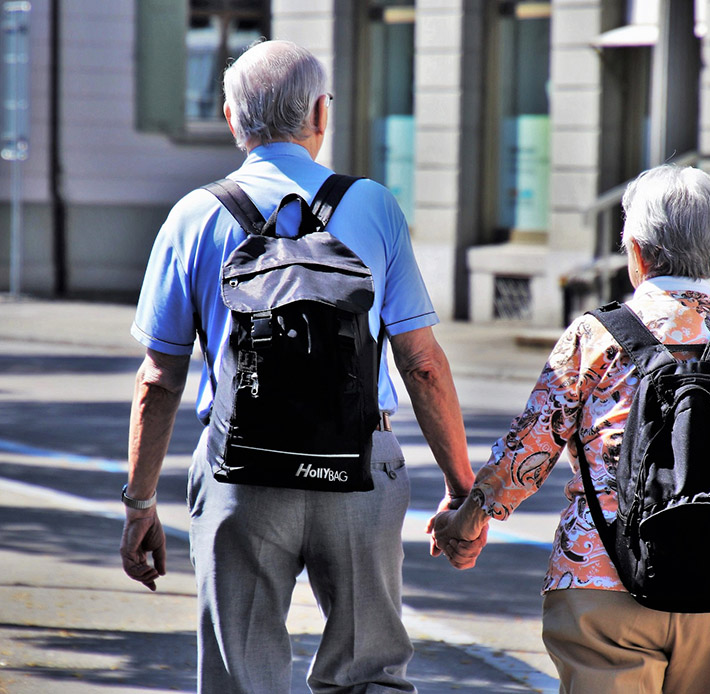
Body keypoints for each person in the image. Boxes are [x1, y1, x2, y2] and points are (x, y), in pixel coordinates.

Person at [119, 39, 478, 694]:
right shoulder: (373, 207)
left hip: (241, 476)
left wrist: (141, 502)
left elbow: (159, 379)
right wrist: (461, 486)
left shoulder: (193, 216)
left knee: (242, 676)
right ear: (320, 113)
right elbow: (421, 362)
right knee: (370, 672)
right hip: (360, 471)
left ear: (232, 119)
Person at [431, 164, 710, 693]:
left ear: (638, 253)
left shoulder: (594, 337)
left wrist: (468, 519)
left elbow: (526, 452)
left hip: (603, 583)